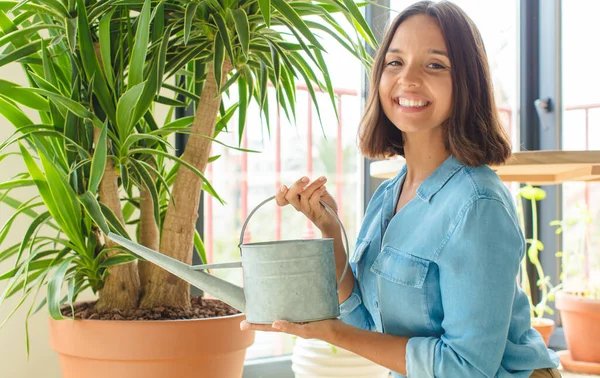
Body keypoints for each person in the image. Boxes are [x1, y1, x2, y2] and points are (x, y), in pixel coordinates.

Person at [240, 1, 561, 377]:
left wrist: (332, 332)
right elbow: (365, 323)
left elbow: (467, 369)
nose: (408, 79)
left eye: (435, 65)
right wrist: (330, 231)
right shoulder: (389, 196)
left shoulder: (478, 203)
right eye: (395, 62)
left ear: (467, 83)